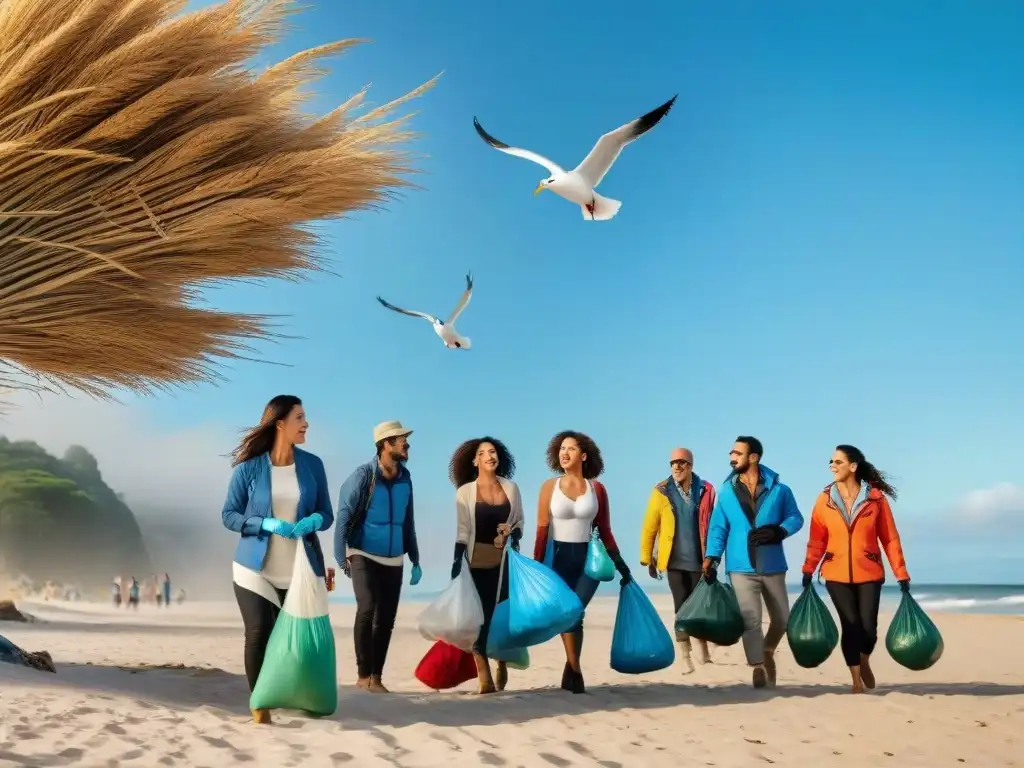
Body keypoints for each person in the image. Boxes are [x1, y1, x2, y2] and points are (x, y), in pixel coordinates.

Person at [221, 394, 334, 725]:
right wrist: (264, 524)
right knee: (259, 632)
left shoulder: (313, 465)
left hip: (300, 568)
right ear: (280, 423)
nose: (306, 424)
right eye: (300, 418)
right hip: (253, 566)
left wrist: (315, 521)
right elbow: (229, 515)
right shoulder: (249, 469)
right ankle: (260, 703)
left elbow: (326, 513)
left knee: (296, 641)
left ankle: (297, 693)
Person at [801, 445, 910, 693]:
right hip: (835, 573)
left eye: (838, 462)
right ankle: (855, 681)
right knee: (850, 625)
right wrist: (809, 568)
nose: (832, 466)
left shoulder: (876, 499)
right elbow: (817, 539)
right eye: (831, 461)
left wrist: (900, 572)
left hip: (869, 571)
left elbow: (890, 539)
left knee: (868, 629)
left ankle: (864, 659)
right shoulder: (824, 500)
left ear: (853, 466)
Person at [534, 430, 631, 694]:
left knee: (576, 611)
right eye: (561, 448)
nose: (564, 453)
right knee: (570, 614)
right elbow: (542, 529)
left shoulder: (597, 488)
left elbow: (605, 529)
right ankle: (575, 669)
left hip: (588, 559)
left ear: (584, 455)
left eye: (571, 448)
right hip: (558, 557)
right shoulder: (548, 487)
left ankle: (572, 668)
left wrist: (620, 563)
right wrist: (537, 565)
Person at [702, 436, 804, 689]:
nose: (731, 457)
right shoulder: (726, 491)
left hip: (773, 565)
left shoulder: (780, 490)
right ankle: (758, 665)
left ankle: (768, 649)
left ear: (754, 457)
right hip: (739, 566)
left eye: (737, 453)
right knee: (751, 620)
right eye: (731, 452)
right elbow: (718, 527)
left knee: (782, 619)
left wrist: (780, 531)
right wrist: (711, 557)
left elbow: (795, 517)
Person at [335, 420, 422, 693]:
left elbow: (408, 521)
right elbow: (343, 516)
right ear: (386, 444)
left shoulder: (406, 477)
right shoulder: (363, 476)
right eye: (401, 439)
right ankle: (363, 675)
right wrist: (341, 557)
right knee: (367, 607)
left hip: (394, 556)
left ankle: (376, 677)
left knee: (386, 618)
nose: (407, 444)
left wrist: (415, 558)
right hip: (362, 552)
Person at [449, 437, 525, 694]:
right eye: (484, 453)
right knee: (479, 617)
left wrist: (512, 532)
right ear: (475, 460)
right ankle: (483, 672)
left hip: (504, 560)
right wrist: (456, 560)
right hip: (476, 559)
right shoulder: (465, 492)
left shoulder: (511, 488)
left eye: (493, 452)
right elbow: (462, 530)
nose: (490, 456)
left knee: (500, 615)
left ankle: (501, 660)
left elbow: (520, 522)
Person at [639, 447, 717, 673]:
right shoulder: (661, 491)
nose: (676, 467)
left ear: (690, 466)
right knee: (681, 607)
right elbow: (650, 526)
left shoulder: (706, 490)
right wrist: (647, 559)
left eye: (681, 463)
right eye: (673, 463)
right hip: (672, 561)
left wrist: (713, 558)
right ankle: (685, 655)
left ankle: (702, 646)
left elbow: (713, 525)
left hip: (698, 560)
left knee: (699, 607)